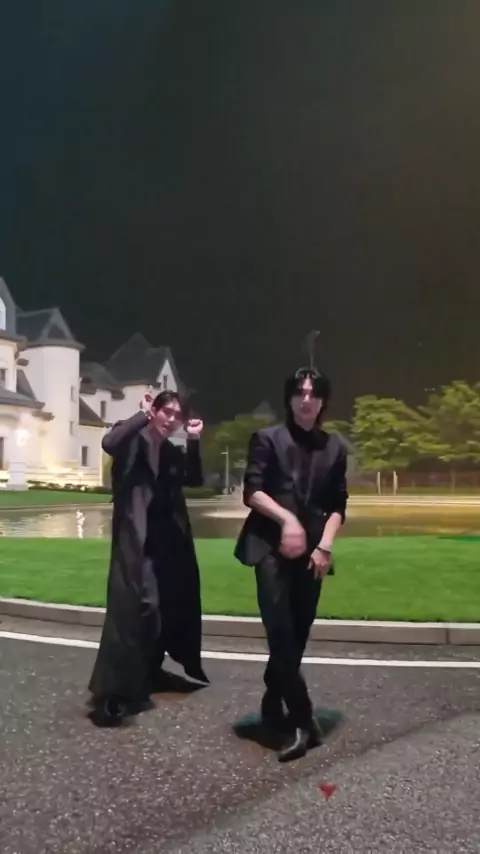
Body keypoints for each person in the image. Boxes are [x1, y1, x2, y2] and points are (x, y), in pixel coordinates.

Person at [234, 367, 348, 762]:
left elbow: (338, 505)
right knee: (280, 632)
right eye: (300, 392)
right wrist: (288, 520)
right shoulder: (267, 439)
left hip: (313, 553)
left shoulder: (334, 447)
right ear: (290, 398)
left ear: (323, 400)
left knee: (297, 635)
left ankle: (273, 698)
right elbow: (252, 491)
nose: (306, 399)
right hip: (269, 546)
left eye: (313, 393)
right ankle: (304, 722)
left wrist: (325, 546)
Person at [88, 390, 209, 726]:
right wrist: (141, 413)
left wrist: (194, 440)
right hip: (134, 539)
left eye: (177, 415)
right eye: (166, 412)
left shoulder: (170, 451)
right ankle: (114, 691)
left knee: (162, 607)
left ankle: (149, 672)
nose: (171, 419)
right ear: (154, 411)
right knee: (131, 609)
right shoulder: (132, 439)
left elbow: (194, 479)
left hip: (165, 544)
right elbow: (109, 442)